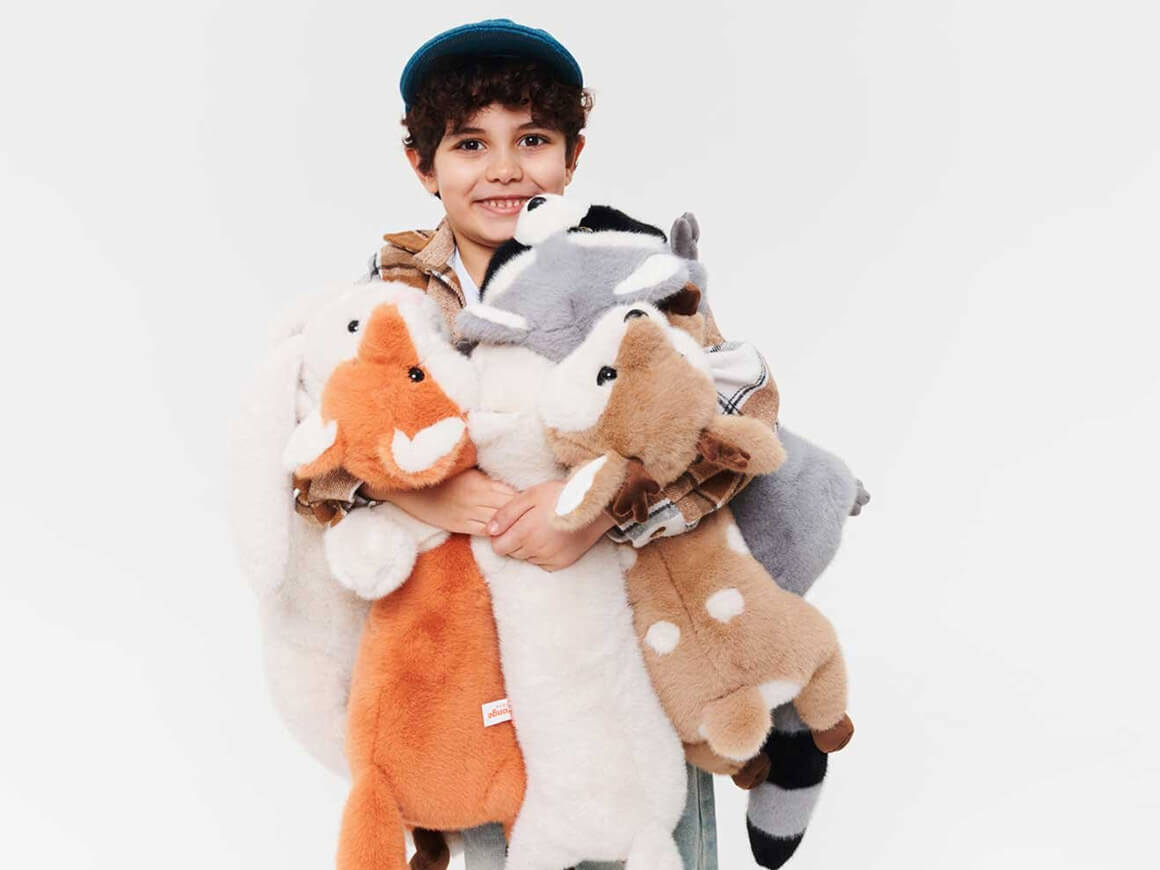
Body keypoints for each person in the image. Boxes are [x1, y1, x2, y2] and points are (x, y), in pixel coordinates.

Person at [355, 19, 731, 869]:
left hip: (628, 637)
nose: (503, 169)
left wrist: (599, 510)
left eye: (532, 140)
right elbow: (322, 445)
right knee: (507, 842)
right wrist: (418, 492)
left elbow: (731, 422)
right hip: (472, 661)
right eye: (469, 144)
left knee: (648, 830)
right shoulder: (391, 290)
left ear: (572, 153)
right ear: (422, 164)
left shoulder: (632, 263)